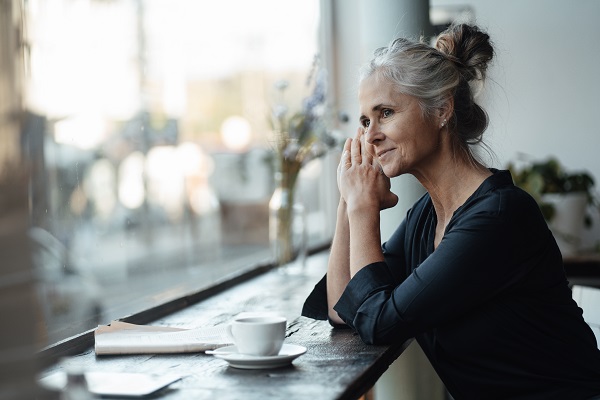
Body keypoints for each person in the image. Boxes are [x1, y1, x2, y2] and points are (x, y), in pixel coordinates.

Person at [302, 23, 600, 399]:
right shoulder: (425, 217)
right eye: (365, 121)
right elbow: (343, 310)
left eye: (386, 113)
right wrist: (349, 197)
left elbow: (378, 321)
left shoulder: (499, 218)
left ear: (442, 108)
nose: (370, 135)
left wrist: (363, 207)